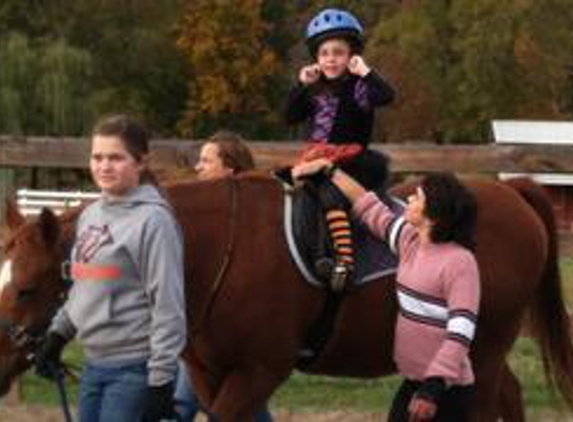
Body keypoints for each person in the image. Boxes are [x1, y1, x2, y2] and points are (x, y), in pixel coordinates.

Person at [293, 160, 480, 421]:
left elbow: (461, 333)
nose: (410, 198)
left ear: (433, 212)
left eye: (418, 196)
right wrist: (331, 171)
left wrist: (433, 389)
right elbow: (369, 206)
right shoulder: (410, 243)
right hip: (416, 382)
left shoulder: (460, 262)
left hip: (445, 392)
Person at [35, 114, 186, 422]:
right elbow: (85, 282)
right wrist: (58, 334)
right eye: (97, 157)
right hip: (94, 365)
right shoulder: (91, 216)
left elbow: (168, 305)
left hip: (134, 370)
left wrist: (160, 380)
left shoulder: (154, 221)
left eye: (116, 157)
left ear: (141, 162)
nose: (104, 166)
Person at [283, 8, 395, 290]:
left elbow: (387, 96)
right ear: (316, 58)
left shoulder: (359, 87)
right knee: (285, 184)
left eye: (338, 52)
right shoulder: (314, 90)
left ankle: (344, 260)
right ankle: (313, 251)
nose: (331, 59)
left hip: (353, 160)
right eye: (324, 53)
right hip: (316, 158)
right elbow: (289, 115)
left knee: (331, 193)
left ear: (351, 56)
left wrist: (366, 72)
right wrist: (300, 85)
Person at [175, 130, 273, 422]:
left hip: (227, 339)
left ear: (229, 169)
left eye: (206, 160)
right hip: (200, 334)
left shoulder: (252, 221)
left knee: (186, 405)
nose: (198, 167)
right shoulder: (199, 218)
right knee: (243, 405)